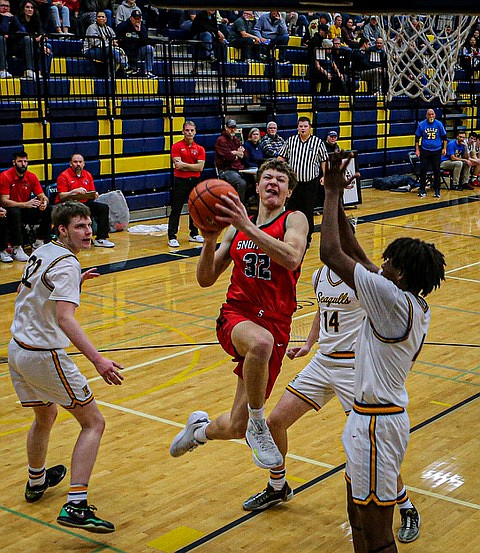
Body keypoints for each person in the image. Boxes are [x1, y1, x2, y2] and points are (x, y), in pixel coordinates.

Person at [242, 258, 422, 544]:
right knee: (275, 422)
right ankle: (278, 486)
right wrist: (309, 344)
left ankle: (406, 507)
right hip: (322, 363)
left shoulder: (363, 279)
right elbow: (321, 312)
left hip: (355, 368)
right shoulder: (319, 275)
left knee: (370, 448)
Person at [320, 150, 445, 553]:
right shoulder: (404, 298)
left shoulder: (391, 300)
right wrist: (335, 192)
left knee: (377, 535)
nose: (381, 263)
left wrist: (329, 197)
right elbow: (355, 248)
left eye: (388, 261)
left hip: (377, 424)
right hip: (369, 420)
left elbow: (332, 254)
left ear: (401, 274)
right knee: (357, 522)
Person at [169, 159, 308, 471]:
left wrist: (247, 226)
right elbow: (205, 279)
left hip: (276, 322)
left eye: (281, 180)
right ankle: (259, 424)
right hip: (237, 315)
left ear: (288, 192)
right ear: (257, 187)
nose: (274, 182)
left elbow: (291, 257)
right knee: (260, 343)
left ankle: (199, 431)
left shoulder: (294, 220)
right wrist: (208, 240)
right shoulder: (235, 230)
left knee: (235, 425)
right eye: (268, 177)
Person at [8, 201, 124, 533]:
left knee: (45, 415)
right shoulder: (67, 264)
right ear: (62, 230)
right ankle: (76, 504)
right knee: (93, 423)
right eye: (79, 226)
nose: (88, 231)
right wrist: (98, 361)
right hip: (44, 355)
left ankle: (36, 480)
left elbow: (24, 292)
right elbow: (64, 318)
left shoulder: (43, 251)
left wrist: (75, 284)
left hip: (17, 351)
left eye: (89, 225)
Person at [278, 116, 328, 245]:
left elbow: (324, 160)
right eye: (301, 126)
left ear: (310, 127)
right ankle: (287, 235)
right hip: (294, 183)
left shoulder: (317, 142)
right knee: (291, 209)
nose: (303, 128)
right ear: (297, 127)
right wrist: (277, 171)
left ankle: (307, 237)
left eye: (305, 126)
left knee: (308, 211)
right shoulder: (291, 141)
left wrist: (325, 175)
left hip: (310, 183)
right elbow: (281, 157)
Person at [0, 150, 52, 262]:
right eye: (20, 161)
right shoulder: (5, 176)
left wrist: (44, 202)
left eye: (25, 161)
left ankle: (39, 241)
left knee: (48, 209)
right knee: (14, 212)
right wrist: (25, 204)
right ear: (14, 162)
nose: (23, 164)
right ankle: (16, 248)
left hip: (25, 209)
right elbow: (4, 201)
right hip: (10, 210)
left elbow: (42, 196)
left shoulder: (31, 177)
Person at [56, 153, 115, 248]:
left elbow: (91, 192)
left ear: (84, 164)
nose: (78, 164)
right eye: (75, 162)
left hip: (84, 203)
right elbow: (61, 196)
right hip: (68, 204)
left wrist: (94, 195)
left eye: (80, 162)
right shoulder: (63, 176)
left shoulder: (87, 175)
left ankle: (101, 238)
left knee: (103, 208)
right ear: (70, 164)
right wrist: (73, 192)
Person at [167, 120, 206, 249]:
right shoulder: (176, 146)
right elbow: (178, 165)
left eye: (192, 130)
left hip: (195, 181)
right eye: (187, 130)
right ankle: (172, 236)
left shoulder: (200, 148)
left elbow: (200, 167)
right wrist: (191, 166)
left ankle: (194, 233)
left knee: (194, 209)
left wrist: (185, 165)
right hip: (180, 181)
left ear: (195, 132)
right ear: (183, 131)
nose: (189, 132)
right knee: (176, 209)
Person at [14, 0, 53, 78]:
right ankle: (29, 70)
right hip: (20, 46)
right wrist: (37, 42)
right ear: (23, 9)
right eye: (27, 7)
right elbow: (23, 35)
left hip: (33, 46)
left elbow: (41, 34)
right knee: (28, 39)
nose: (30, 9)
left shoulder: (36, 20)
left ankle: (41, 73)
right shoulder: (17, 19)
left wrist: (42, 41)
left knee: (48, 47)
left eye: (32, 8)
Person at [83, 11, 129, 77]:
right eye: (99, 17)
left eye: (103, 17)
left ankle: (110, 77)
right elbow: (95, 42)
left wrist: (113, 43)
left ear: (106, 19)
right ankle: (124, 65)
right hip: (91, 50)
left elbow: (114, 39)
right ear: (96, 18)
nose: (101, 18)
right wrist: (110, 43)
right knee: (111, 50)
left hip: (106, 50)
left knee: (111, 57)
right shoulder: (91, 27)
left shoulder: (109, 29)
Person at [414, 108, 448, 198]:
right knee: (423, 170)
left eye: (432, 114)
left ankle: (437, 190)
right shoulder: (421, 125)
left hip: (436, 150)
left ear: (435, 115)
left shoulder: (439, 124)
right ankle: (422, 189)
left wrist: (444, 148)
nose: (431, 116)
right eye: (429, 114)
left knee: (436, 170)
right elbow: (417, 138)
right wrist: (417, 150)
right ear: (426, 116)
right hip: (425, 150)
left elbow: (444, 137)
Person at [214, 118, 248, 204]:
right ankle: (239, 208)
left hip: (239, 169)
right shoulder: (221, 140)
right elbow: (228, 157)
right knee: (242, 183)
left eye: (234, 127)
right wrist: (238, 153)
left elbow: (245, 155)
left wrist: (236, 153)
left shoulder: (236, 139)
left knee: (255, 181)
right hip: (226, 170)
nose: (232, 129)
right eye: (230, 127)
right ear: (226, 128)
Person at [115, 9, 155, 78]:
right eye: (136, 19)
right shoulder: (123, 26)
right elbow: (117, 39)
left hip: (137, 51)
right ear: (131, 18)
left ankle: (149, 71)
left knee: (149, 48)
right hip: (125, 51)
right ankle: (125, 71)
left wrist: (139, 32)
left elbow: (145, 41)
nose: (138, 21)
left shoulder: (142, 27)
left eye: (139, 19)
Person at [0, 0, 23, 78]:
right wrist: (5, 18)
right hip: (1, 44)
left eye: (7, 6)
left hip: (10, 45)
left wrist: (14, 18)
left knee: (27, 39)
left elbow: (22, 31)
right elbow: (3, 30)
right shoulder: (5, 17)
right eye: (2, 5)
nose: (5, 8)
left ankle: (29, 70)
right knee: (1, 38)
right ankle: (2, 70)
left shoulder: (12, 17)